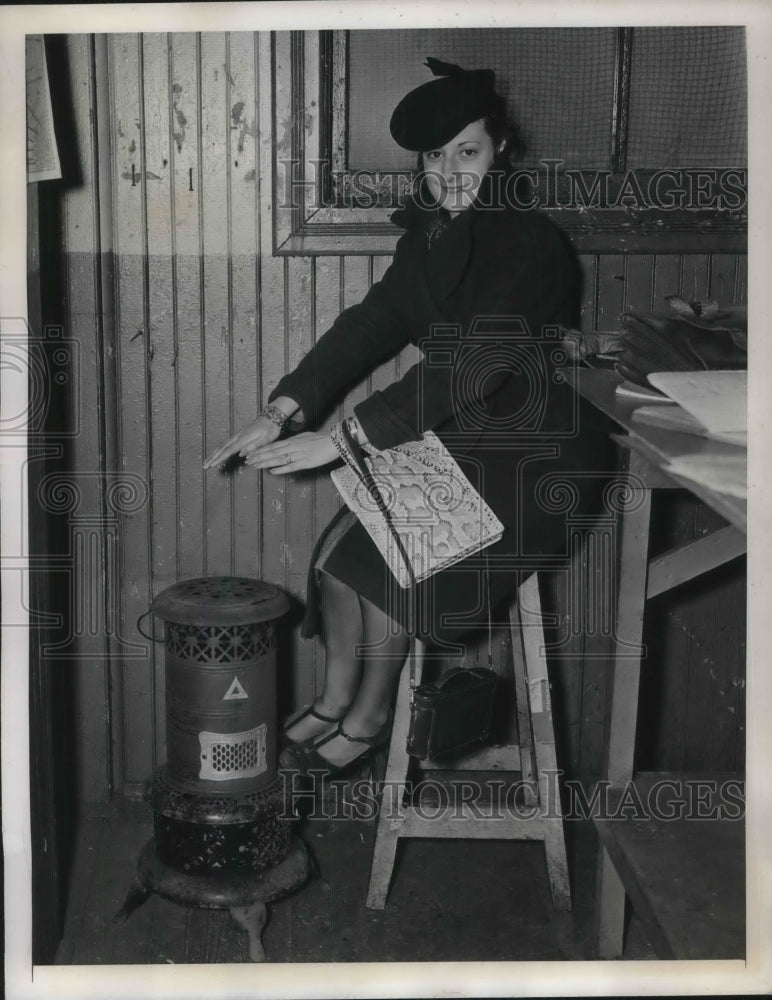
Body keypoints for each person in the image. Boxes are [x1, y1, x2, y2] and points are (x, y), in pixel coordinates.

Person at [204, 58, 612, 774]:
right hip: (461, 437)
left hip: (538, 454)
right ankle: (333, 703)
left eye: (468, 152)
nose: (451, 172)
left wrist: (346, 440)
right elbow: (373, 323)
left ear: (501, 151)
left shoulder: (531, 244)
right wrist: (284, 411)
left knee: (398, 560)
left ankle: (367, 718)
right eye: (435, 155)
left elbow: (471, 364)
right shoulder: (425, 239)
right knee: (339, 561)